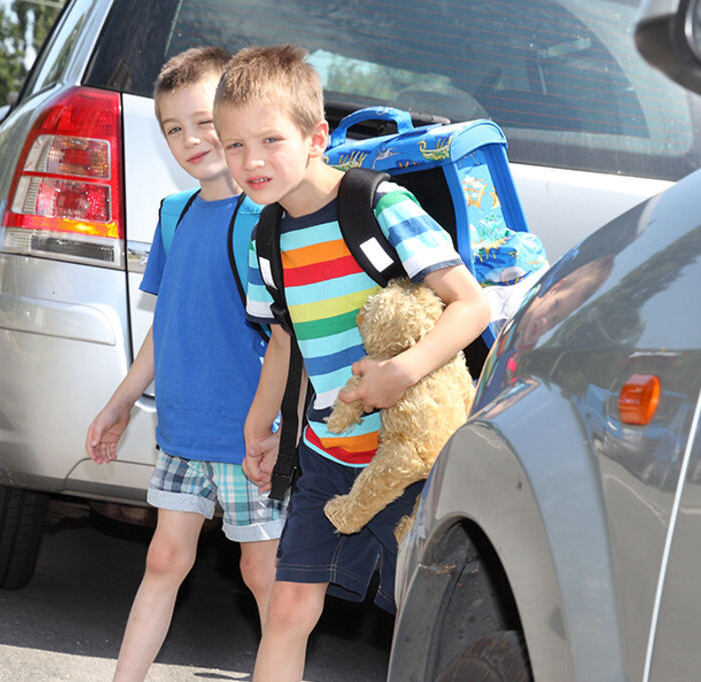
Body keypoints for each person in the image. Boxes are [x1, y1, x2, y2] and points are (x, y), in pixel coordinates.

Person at [212, 45, 491, 681]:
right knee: (288, 605)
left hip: (412, 456)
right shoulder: (265, 237)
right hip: (328, 454)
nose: (251, 162)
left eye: (269, 140)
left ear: (316, 137)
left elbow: (469, 305)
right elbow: (284, 343)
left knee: (415, 618)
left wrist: (402, 371)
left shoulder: (376, 205)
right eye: (233, 146)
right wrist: (261, 429)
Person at [85, 46, 284, 682]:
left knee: (264, 575)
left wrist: (278, 428)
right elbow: (163, 331)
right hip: (181, 431)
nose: (190, 139)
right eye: (173, 127)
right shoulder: (174, 215)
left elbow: (289, 338)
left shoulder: (266, 219)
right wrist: (119, 404)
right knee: (164, 561)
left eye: (203, 121)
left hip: (250, 437)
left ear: (232, 119)